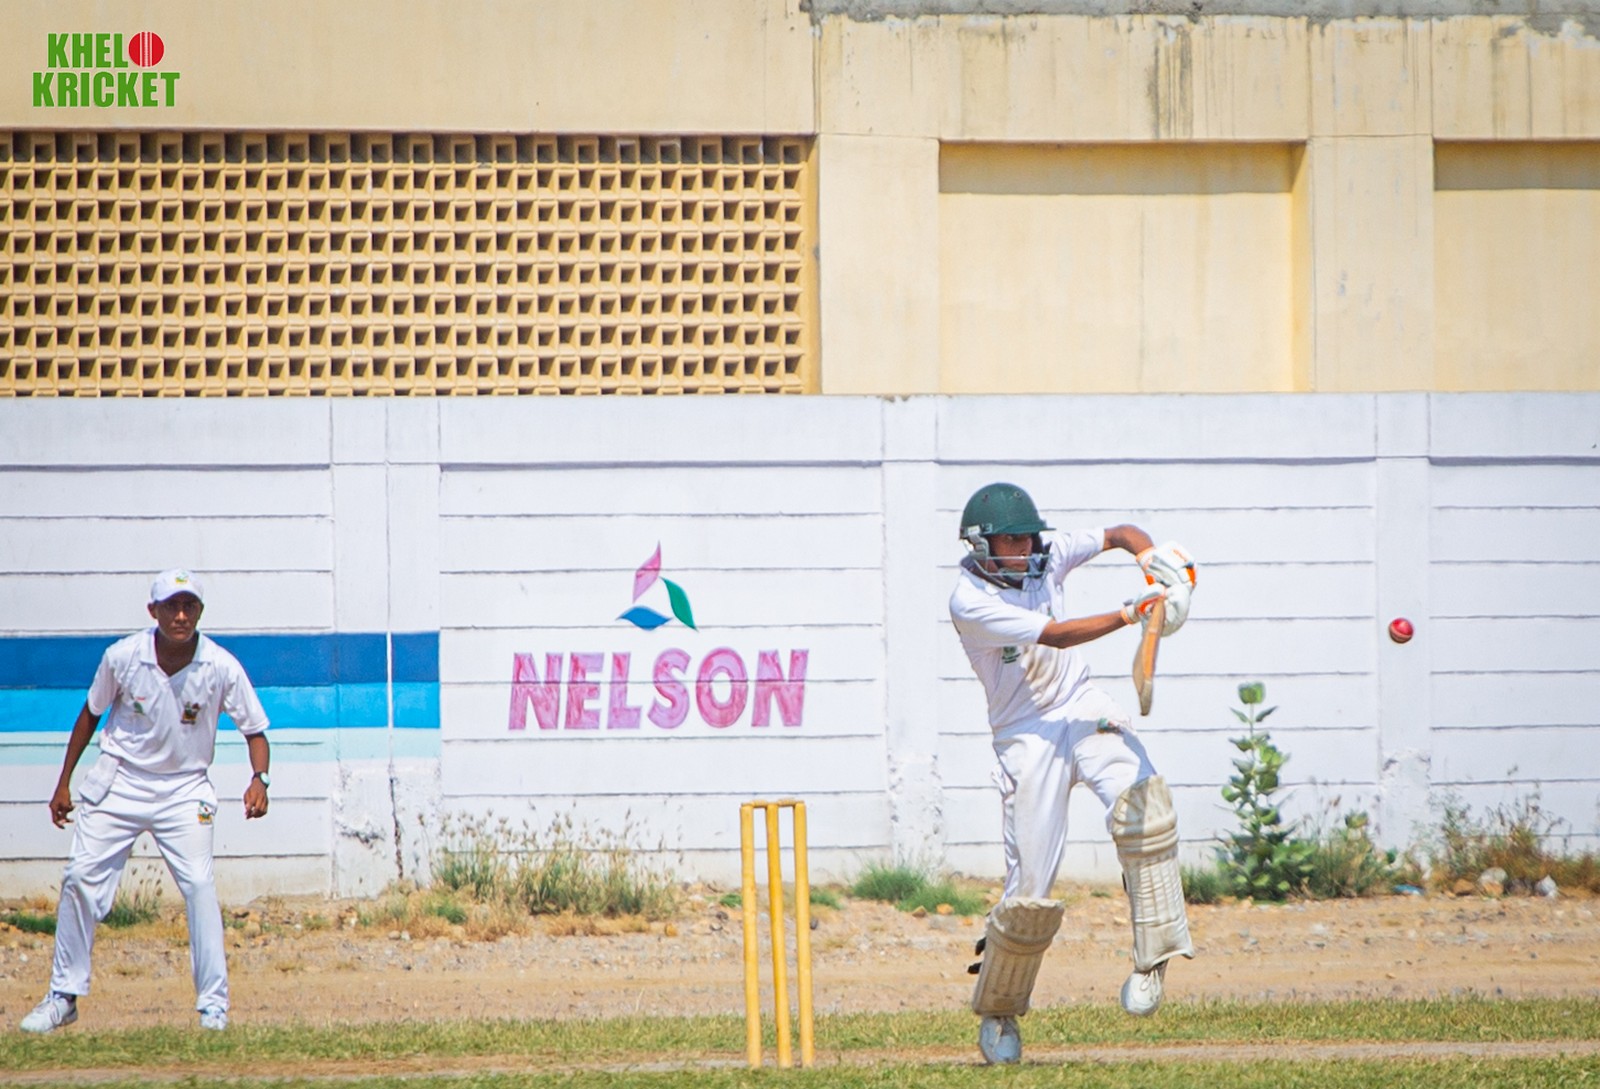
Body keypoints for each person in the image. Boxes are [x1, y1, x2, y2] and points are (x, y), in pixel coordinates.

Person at [949, 483, 1197, 1064]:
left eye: (1029, 536)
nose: (1027, 548)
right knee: (1029, 897)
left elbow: (1119, 533)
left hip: (1080, 704)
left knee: (1144, 805)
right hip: (1025, 734)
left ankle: (1153, 959)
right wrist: (1130, 613)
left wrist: (1149, 560)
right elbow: (1056, 636)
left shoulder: (1045, 553)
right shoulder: (969, 600)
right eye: (1012, 540)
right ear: (983, 545)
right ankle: (1000, 1011)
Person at [19, 569, 271, 1034]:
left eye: (189, 606)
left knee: (200, 886)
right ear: (153, 611)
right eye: (172, 606)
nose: (181, 616)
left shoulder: (220, 666)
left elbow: (255, 731)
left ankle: (213, 1007)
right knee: (79, 877)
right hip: (120, 780)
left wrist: (260, 779)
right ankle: (63, 997)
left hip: (185, 788)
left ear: (200, 612)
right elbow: (90, 714)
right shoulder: (123, 657)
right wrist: (63, 783)